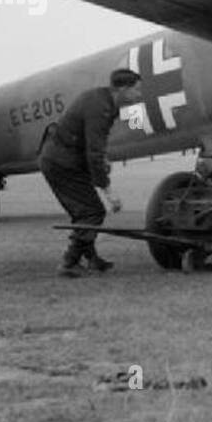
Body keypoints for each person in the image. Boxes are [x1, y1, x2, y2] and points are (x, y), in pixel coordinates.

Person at [39, 68, 143, 277]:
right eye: (136, 90)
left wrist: (102, 160)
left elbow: (93, 146)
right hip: (61, 163)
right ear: (122, 89)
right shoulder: (100, 108)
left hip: (64, 159)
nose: (139, 95)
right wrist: (108, 191)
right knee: (91, 212)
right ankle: (69, 262)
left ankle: (92, 260)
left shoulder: (104, 101)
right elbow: (93, 152)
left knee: (84, 212)